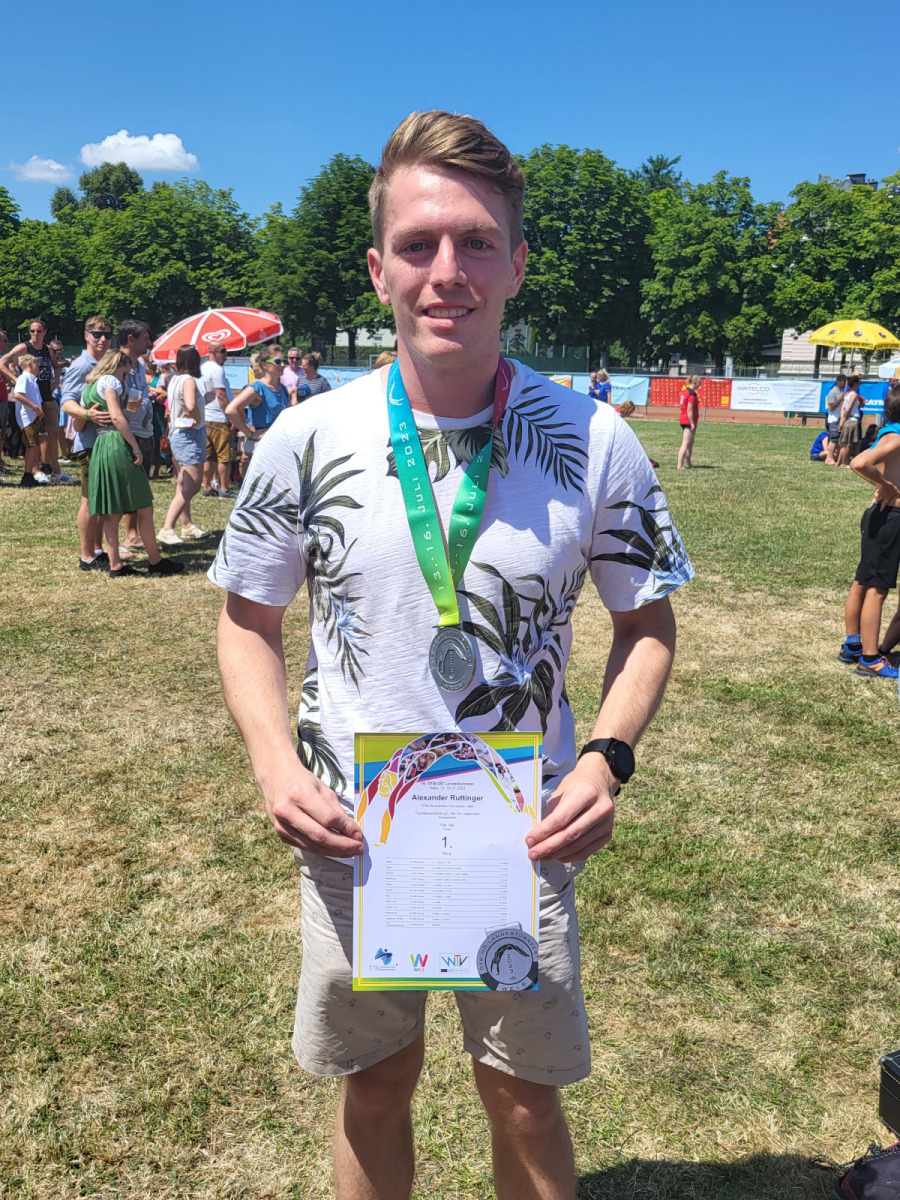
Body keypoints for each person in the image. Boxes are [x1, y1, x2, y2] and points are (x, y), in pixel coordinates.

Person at [210, 109, 691, 1199]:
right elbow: (247, 622)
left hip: (523, 834)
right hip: (354, 832)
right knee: (376, 1083)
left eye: (476, 242)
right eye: (418, 244)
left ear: (516, 263)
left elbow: (647, 625)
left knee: (523, 1096)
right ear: (377, 268)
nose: (447, 271)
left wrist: (606, 758)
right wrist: (275, 767)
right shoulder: (306, 438)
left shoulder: (594, 440)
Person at [82, 349, 184, 579]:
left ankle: (115, 565)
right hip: (117, 443)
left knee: (112, 512)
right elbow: (117, 417)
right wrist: (135, 446)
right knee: (144, 507)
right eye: (125, 373)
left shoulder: (89, 386)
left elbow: (82, 421)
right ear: (115, 366)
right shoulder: (110, 381)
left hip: (101, 444)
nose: (125, 378)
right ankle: (155, 561)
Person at [837, 385, 900, 679]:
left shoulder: (890, 432)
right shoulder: (896, 437)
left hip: (880, 516)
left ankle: (853, 644)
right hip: (890, 518)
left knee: (863, 581)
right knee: (877, 588)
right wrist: (887, 487)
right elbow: (860, 462)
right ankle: (871, 658)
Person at [60, 317, 116, 571]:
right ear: (86, 336)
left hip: (104, 441)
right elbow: (66, 401)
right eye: (97, 334)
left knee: (100, 500)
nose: (102, 339)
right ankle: (86, 557)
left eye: (107, 335)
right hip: (90, 442)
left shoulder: (105, 363)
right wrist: (87, 414)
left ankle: (97, 549)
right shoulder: (82, 365)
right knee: (89, 500)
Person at [0, 318, 73, 483]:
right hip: (31, 399)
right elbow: (2, 363)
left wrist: (56, 378)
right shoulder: (24, 347)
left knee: (53, 434)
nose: (35, 334)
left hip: (47, 396)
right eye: (32, 331)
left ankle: (56, 471)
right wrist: (16, 380)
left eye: (38, 331)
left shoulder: (48, 349)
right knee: (35, 436)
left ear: (44, 332)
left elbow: (56, 363)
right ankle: (36, 470)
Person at [158, 344, 210, 546]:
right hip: (189, 434)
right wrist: (196, 417)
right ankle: (167, 528)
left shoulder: (175, 379)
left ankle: (186, 525)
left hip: (178, 433)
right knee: (194, 484)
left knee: (183, 482)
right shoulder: (188, 380)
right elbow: (190, 405)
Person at [117, 320, 155, 552]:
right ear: (131, 339)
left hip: (144, 430)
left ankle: (134, 534)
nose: (149, 342)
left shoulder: (139, 364)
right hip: (128, 433)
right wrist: (134, 403)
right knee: (129, 487)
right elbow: (117, 398)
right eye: (145, 338)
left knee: (140, 485)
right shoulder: (116, 362)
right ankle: (127, 535)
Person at [224, 345, 290, 456]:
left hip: (280, 443)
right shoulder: (257, 388)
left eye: (284, 361)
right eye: (278, 361)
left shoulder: (282, 388)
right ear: (264, 365)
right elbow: (231, 410)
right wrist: (250, 434)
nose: (283, 365)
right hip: (264, 446)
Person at [201, 345, 237, 498]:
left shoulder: (203, 368)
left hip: (207, 416)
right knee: (225, 456)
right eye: (222, 351)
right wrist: (230, 415)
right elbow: (220, 395)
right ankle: (224, 488)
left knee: (209, 455)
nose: (225, 354)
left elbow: (209, 391)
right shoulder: (217, 370)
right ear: (212, 352)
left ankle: (207, 486)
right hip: (219, 418)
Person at [12, 354, 49, 488]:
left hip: (33, 416)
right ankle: (27, 474)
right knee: (32, 445)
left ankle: (29, 474)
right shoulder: (24, 378)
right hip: (27, 417)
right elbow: (18, 394)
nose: (38, 368)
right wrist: (34, 407)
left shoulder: (32, 379)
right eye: (37, 365)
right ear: (29, 365)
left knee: (34, 446)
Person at [836, 374, 863, 467]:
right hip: (852, 420)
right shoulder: (854, 395)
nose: (859, 384)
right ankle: (845, 463)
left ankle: (839, 462)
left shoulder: (846, 394)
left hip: (847, 421)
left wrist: (841, 421)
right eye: (858, 383)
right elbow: (849, 408)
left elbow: (843, 409)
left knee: (843, 444)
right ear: (855, 383)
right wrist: (845, 418)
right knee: (848, 445)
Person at [677, 375, 701, 469]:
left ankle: (688, 463)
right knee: (686, 443)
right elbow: (689, 409)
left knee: (690, 443)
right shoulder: (691, 394)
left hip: (684, 419)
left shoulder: (686, 391)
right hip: (688, 420)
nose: (700, 384)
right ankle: (680, 465)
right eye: (699, 382)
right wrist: (692, 423)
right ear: (695, 382)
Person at [823, 373, 847, 465]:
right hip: (834, 419)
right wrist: (841, 399)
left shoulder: (841, 391)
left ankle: (835, 457)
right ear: (839, 381)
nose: (845, 383)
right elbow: (831, 407)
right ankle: (829, 458)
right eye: (844, 381)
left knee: (838, 440)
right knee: (834, 439)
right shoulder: (832, 392)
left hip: (839, 418)